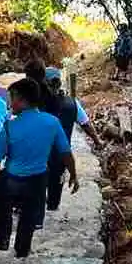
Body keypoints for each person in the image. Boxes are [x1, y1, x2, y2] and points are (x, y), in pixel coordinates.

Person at [0, 77, 76, 259]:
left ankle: (3, 238)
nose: (10, 102)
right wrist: (73, 174)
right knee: (28, 216)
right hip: (37, 179)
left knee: (3, 205)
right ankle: (22, 249)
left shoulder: (9, 126)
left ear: (21, 100)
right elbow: (65, 152)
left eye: (12, 98)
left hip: (12, 178)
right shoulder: (52, 122)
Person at [35, 65, 102, 228]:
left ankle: (36, 216)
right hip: (60, 154)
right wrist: (97, 140)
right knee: (55, 185)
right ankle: (50, 211)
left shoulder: (36, 102)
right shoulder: (72, 103)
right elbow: (85, 124)